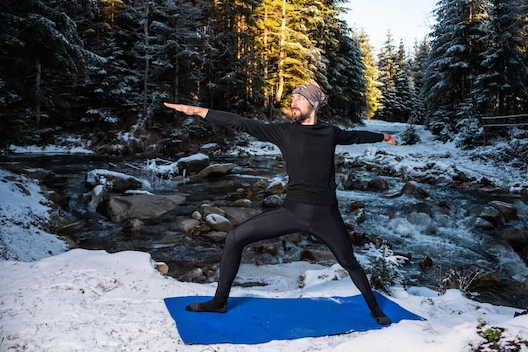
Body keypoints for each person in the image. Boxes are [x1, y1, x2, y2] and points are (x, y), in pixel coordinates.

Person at [164, 83, 399, 325]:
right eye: (292, 98)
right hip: (293, 212)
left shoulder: (330, 132)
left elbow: (356, 136)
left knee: (349, 262)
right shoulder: (284, 132)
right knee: (234, 237)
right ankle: (219, 301)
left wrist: (383, 136)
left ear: (313, 104)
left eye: (299, 98)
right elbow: (242, 123)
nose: (293, 102)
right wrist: (200, 111)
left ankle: (375, 310)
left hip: (326, 216)